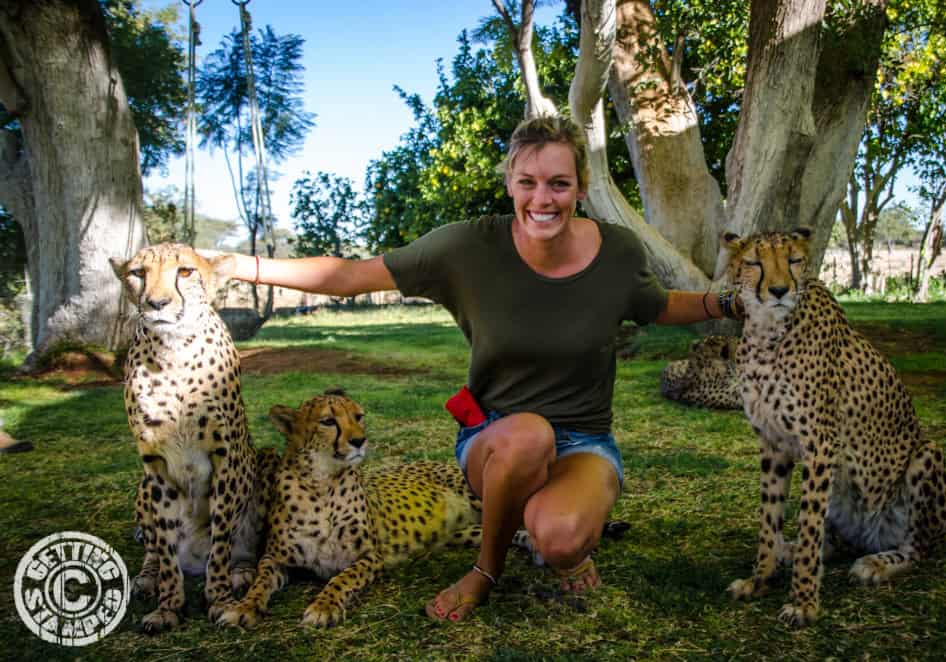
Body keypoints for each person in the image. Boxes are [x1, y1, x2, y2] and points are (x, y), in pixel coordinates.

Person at [213, 115, 740, 622]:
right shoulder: (467, 247)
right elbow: (349, 275)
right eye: (527, 182)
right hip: (496, 439)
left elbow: (656, 305)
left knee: (557, 539)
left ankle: (552, 527)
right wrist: (245, 266)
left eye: (559, 183)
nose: (542, 198)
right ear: (509, 182)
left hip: (583, 441)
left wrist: (724, 304)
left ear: (581, 187)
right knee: (528, 436)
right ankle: (486, 570)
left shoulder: (618, 251)